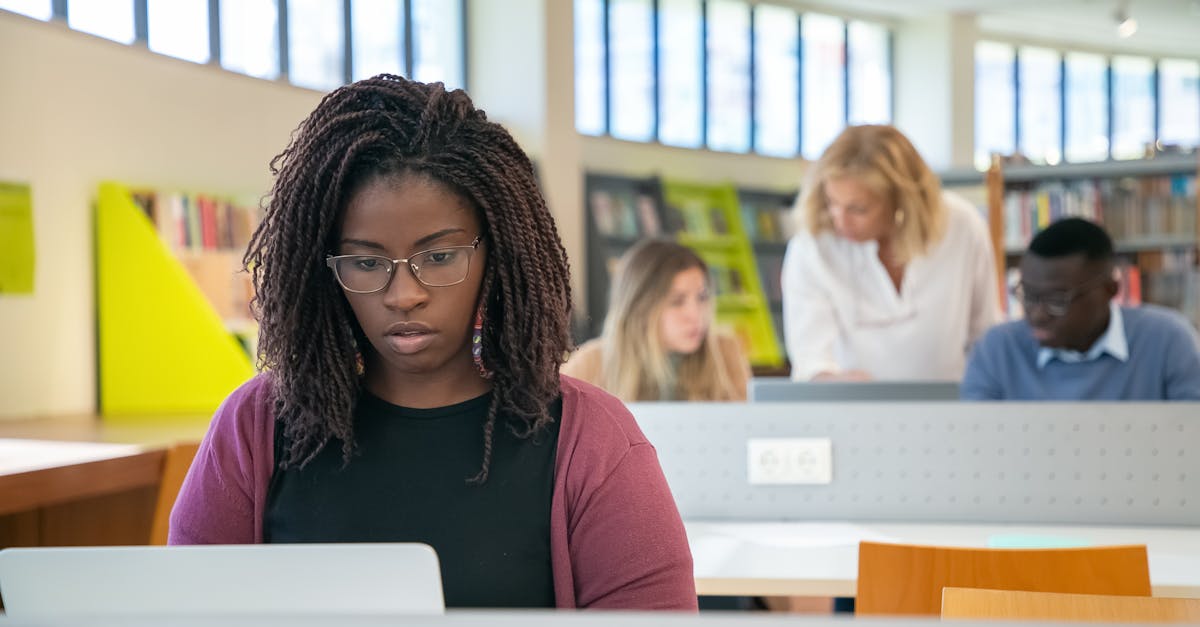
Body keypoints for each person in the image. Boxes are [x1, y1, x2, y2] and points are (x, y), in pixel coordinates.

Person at [169, 75, 697, 611]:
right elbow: (182, 613)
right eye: (367, 262)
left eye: (440, 257)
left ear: (497, 252)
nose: (404, 294)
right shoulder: (254, 428)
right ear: (324, 270)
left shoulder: (592, 441)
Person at [782, 125, 1000, 381]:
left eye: (858, 209)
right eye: (832, 203)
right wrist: (832, 382)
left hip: (953, 409)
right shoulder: (812, 246)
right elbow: (811, 360)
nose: (840, 220)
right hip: (851, 413)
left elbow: (985, 336)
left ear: (902, 202)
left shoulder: (962, 225)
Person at [962, 218, 1200, 400]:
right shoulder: (998, 349)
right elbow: (975, 445)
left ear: (1110, 289)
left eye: (1056, 300)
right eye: (1029, 295)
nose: (1037, 314)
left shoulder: (1167, 341)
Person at [562, 239, 751, 401]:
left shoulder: (725, 351)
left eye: (702, 297)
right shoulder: (591, 362)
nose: (696, 314)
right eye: (677, 301)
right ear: (640, 308)